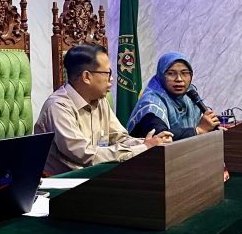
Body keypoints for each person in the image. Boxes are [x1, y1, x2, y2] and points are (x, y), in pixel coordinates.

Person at [35, 43, 171, 174]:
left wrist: (152, 143)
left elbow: (120, 139)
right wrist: (143, 148)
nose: (111, 79)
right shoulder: (58, 107)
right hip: (64, 182)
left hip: (96, 176)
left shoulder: (100, 100)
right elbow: (84, 154)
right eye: (107, 73)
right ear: (86, 77)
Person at [127, 52, 220, 141]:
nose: (179, 79)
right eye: (171, 73)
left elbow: (204, 126)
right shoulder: (150, 104)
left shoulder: (189, 96)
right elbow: (161, 136)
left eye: (184, 73)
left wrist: (213, 129)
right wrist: (198, 130)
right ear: (161, 75)